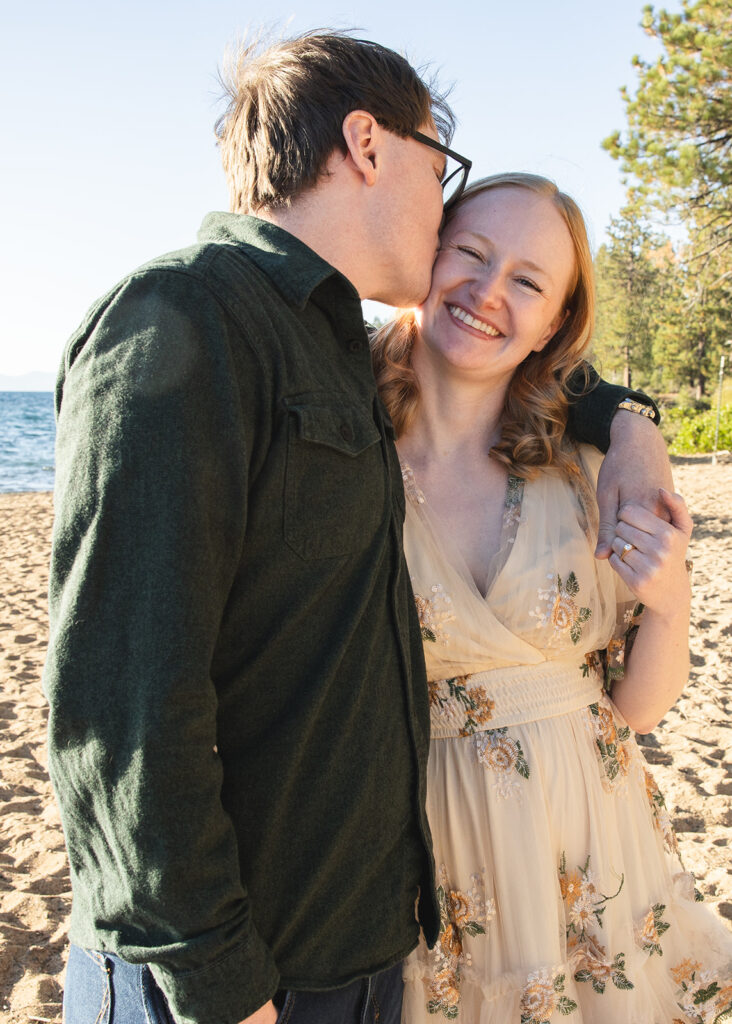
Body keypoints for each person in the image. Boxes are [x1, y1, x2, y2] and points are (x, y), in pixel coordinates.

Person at [44, 32, 673, 1024]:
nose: (444, 208)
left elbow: (522, 368)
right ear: (370, 146)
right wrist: (218, 984)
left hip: (366, 952)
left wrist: (633, 423)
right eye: (443, 172)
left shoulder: (335, 342)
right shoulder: (185, 317)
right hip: (235, 977)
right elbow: (121, 705)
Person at [371, 173, 732, 1023]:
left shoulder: (588, 470)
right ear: (429, 252)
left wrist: (671, 600)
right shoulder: (345, 449)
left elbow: (635, 712)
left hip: (590, 845)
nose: (489, 292)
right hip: (421, 858)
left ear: (555, 322)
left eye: (529, 281)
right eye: (470, 251)